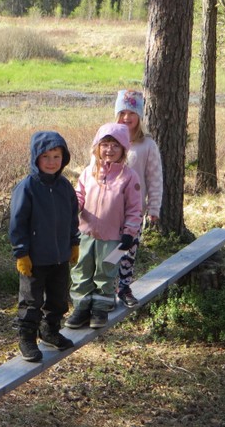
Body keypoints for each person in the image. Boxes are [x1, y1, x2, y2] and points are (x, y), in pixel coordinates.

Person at [9, 130, 80, 362]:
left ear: (64, 158)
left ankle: (50, 331)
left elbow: (72, 217)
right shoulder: (27, 187)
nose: (51, 162)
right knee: (31, 301)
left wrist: (74, 243)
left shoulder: (65, 187)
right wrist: (21, 253)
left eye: (56, 156)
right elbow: (18, 222)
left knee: (58, 299)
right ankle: (27, 338)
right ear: (36, 158)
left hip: (59, 256)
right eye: (46, 157)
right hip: (34, 258)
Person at [66, 122, 142, 329]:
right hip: (85, 234)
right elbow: (79, 196)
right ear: (97, 147)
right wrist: (72, 208)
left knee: (106, 272)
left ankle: (100, 308)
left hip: (114, 237)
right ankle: (81, 308)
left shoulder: (129, 177)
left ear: (124, 150)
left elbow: (134, 209)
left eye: (116, 145)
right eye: (105, 144)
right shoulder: (88, 172)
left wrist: (129, 233)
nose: (110, 149)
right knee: (81, 270)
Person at [113, 89, 163, 308]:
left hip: (134, 210)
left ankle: (124, 287)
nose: (127, 117)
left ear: (140, 116)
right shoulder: (110, 140)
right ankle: (105, 290)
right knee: (108, 251)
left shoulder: (147, 145)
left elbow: (154, 178)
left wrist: (154, 207)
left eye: (131, 113)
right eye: (122, 113)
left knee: (128, 250)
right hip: (109, 208)